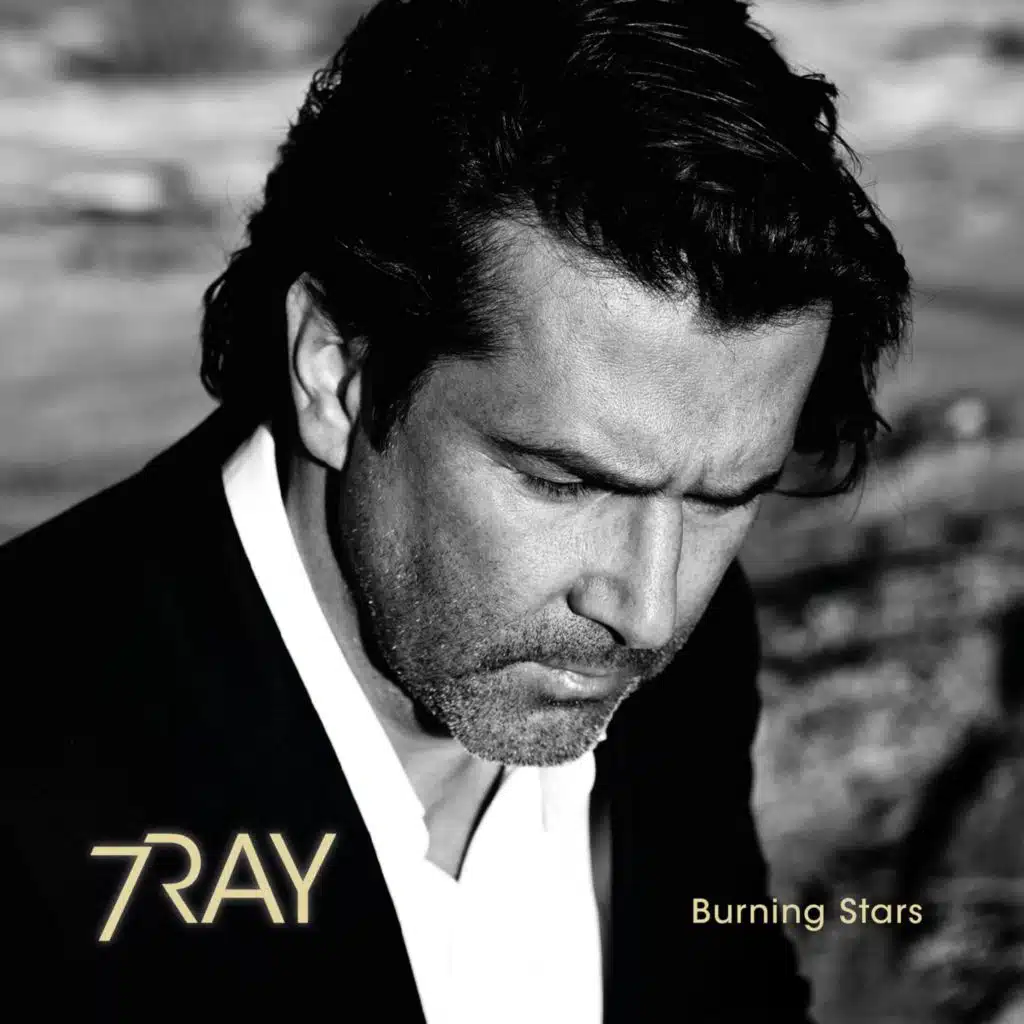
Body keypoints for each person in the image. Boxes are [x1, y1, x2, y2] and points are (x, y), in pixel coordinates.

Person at [2, 0, 911, 1018]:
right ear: (335, 372)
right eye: (563, 482)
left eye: (720, 498)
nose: (647, 610)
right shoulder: (31, 791)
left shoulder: (687, 657)